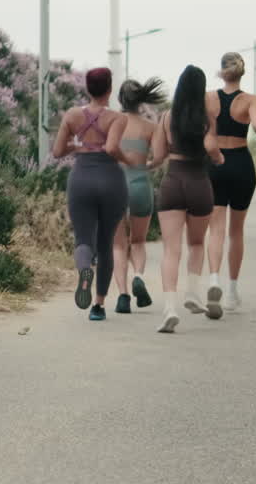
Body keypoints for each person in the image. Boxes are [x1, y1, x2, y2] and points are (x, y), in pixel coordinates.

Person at [151, 65, 224, 333]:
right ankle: (192, 293)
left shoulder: (167, 117)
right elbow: (211, 148)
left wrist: (147, 165)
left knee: (171, 250)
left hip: (173, 183)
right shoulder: (206, 119)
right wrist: (218, 157)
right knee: (196, 243)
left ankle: (170, 308)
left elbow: (158, 155)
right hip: (198, 184)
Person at [52, 67, 128, 322]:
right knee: (106, 243)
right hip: (110, 179)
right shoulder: (117, 118)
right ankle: (98, 306)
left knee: (83, 239)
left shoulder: (73, 115)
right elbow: (112, 147)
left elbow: (57, 151)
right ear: (109, 89)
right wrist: (129, 160)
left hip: (81, 178)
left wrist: (77, 145)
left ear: (87, 88)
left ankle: (85, 270)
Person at [205, 52, 256, 312]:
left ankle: (213, 280)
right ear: (242, 73)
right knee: (236, 231)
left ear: (222, 71)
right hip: (241, 164)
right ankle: (231, 292)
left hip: (215, 164)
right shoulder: (250, 100)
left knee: (216, 228)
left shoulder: (208, 98)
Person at [110, 78, 167, 314]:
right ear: (141, 100)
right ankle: (139, 276)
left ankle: (123, 296)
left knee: (118, 246)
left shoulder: (112, 123)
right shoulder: (149, 127)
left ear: (121, 100)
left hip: (114, 187)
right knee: (139, 241)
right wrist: (145, 166)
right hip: (141, 185)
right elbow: (161, 156)